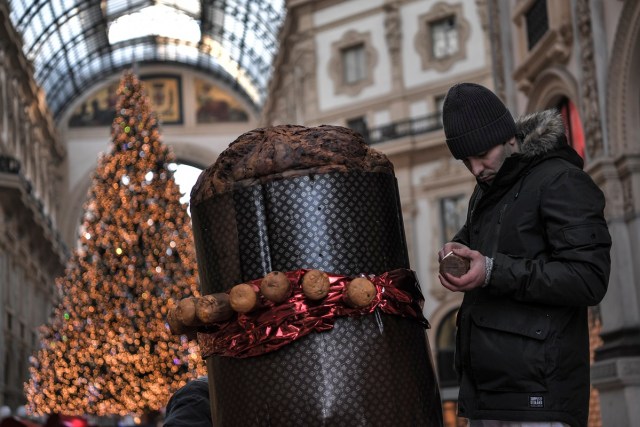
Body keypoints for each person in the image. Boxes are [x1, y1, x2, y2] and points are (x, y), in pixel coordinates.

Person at [437, 82, 611, 427]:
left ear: (509, 138)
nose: (475, 169)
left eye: (482, 154)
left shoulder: (561, 181)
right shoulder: (486, 191)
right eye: (465, 160)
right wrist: (455, 250)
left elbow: (588, 279)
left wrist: (490, 271)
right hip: (489, 397)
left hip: (541, 398)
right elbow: (484, 248)